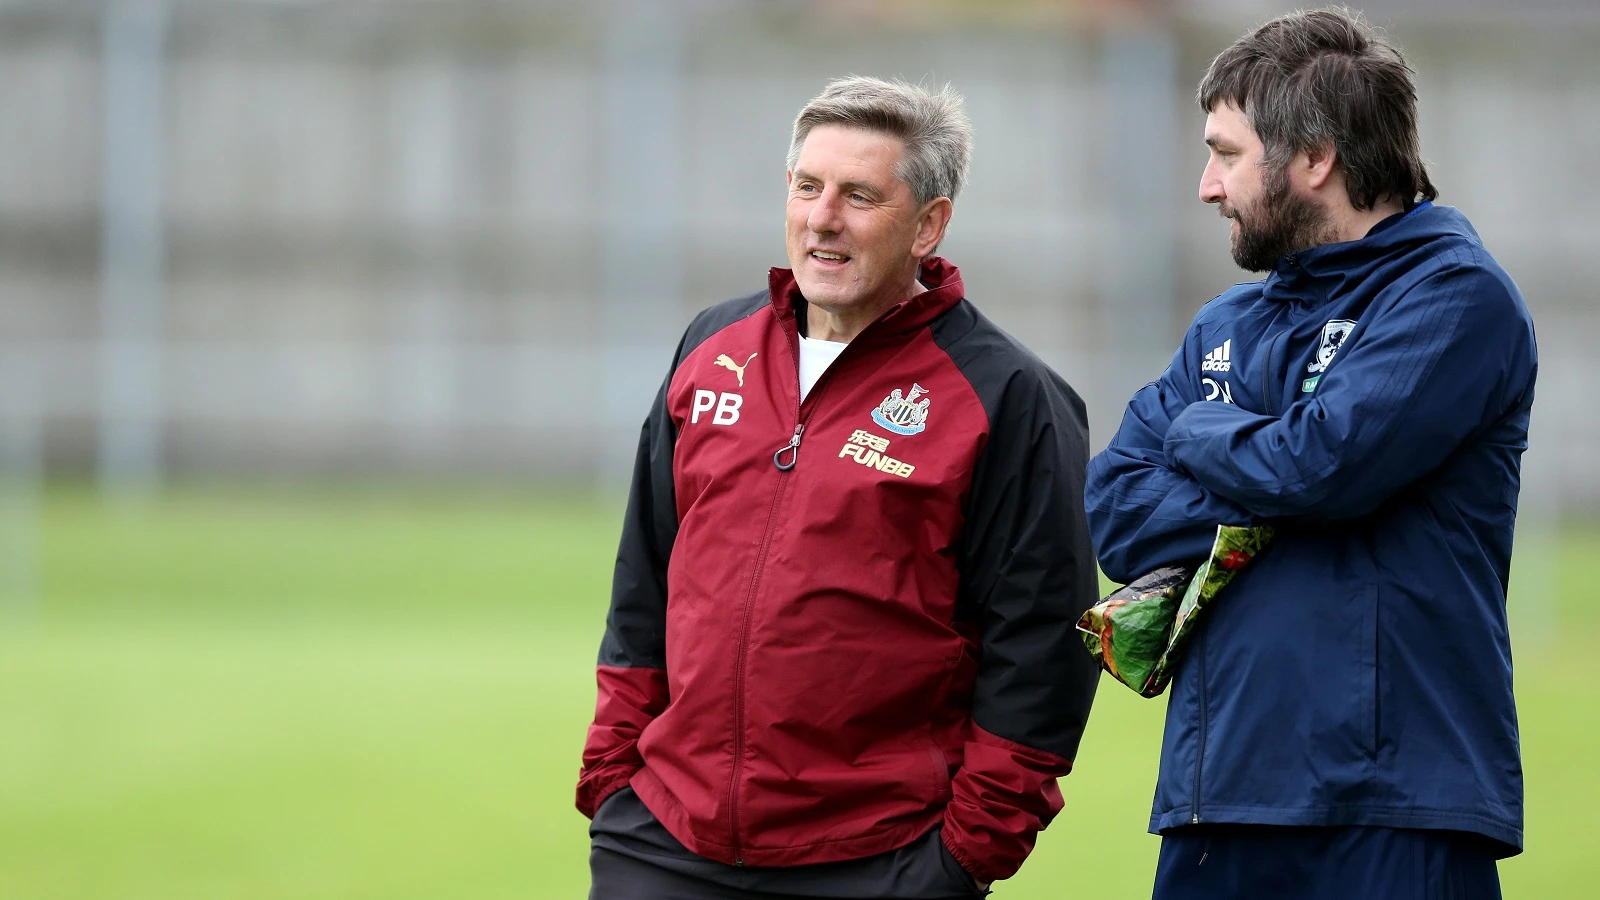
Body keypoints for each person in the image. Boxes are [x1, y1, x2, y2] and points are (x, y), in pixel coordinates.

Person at [577, 76, 1101, 899]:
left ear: (928, 224)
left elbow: (1042, 647)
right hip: (664, 841)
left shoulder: (1006, 398)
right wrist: (613, 773)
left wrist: (963, 855)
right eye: (807, 187)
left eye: (860, 195)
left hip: (879, 857)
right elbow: (645, 577)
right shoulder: (712, 346)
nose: (823, 218)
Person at [1085, 8, 1536, 899]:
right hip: (1216, 797)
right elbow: (1118, 512)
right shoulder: (1227, 322)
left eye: (1225, 152)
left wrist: (1196, 434)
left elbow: (1321, 467)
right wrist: (1272, 475)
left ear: (1314, 159)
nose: (1207, 186)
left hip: (1394, 804)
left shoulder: (1456, 297)